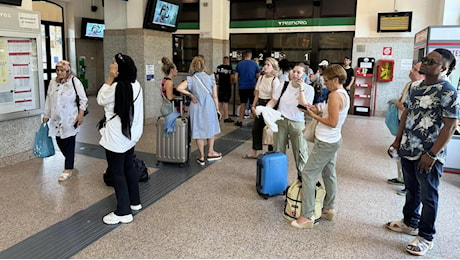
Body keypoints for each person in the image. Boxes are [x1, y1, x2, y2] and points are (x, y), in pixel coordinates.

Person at [385, 48, 458, 256]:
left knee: (428, 195)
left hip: (430, 154)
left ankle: (426, 236)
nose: (424, 63)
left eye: (431, 61)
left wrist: (432, 154)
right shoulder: (416, 86)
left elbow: (450, 126)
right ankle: (410, 222)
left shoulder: (448, 91)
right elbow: (406, 113)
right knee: (411, 189)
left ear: (443, 68)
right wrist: (397, 141)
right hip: (409, 147)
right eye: (424, 59)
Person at [290, 64, 350, 229]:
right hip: (334, 140)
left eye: (326, 80)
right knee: (329, 173)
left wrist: (312, 114)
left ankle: (307, 215)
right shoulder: (343, 93)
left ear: (335, 79)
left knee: (308, 174)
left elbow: (332, 122)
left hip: (326, 142)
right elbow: (333, 112)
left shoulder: (334, 95)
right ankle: (329, 208)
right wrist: (318, 108)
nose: (324, 83)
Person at [97, 53, 144, 225]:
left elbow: (101, 99)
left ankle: (123, 211)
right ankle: (134, 201)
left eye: (113, 64)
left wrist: (109, 78)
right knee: (128, 166)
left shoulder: (116, 87)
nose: (110, 66)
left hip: (116, 136)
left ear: (119, 69)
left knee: (117, 172)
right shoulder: (136, 84)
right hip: (130, 135)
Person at [265, 63, 314, 178]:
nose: (295, 74)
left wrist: (301, 88)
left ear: (305, 75)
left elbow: (304, 106)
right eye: (294, 71)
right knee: (278, 151)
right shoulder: (283, 85)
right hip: (281, 121)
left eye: (298, 72)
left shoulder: (309, 89)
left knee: (300, 152)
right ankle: (277, 178)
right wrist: (266, 111)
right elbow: (274, 100)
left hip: (297, 123)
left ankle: (303, 179)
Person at [43, 60, 88, 182]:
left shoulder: (74, 81)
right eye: (57, 70)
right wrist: (46, 114)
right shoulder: (53, 82)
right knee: (59, 140)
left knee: (69, 141)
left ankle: (68, 168)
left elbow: (83, 99)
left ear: (68, 71)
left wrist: (80, 115)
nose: (59, 72)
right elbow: (48, 98)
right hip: (56, 118)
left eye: (62, 70)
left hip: (70, 118)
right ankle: (70, 157)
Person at [387, 62, 425, 196]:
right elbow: (402, 100)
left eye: (415, 70)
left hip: (412, 130)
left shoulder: (421, 88)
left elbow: (404, 106)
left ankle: (407, 184)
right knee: (400, 153)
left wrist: (396, 103)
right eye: (413, 68)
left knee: (409, 157)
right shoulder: (410, 85)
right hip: (402, 123)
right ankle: (401, 178)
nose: (411, 71)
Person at [177, 56, 222, 166]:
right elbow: (215, 96)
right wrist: (217, 109)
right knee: (210, 127)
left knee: (198, 128)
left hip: (196, 106)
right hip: (209, 106)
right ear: (204, 65)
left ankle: (201, 155)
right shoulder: (211, 77)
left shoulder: (191, 79)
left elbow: (179, 88)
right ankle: (211, 152)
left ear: (193, 66)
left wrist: (191, 95)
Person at [243, 58, 281, 159]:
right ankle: (254, 151)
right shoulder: (261, 78)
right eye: (265, 64)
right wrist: (253, 106)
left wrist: (266, 109)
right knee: (256, 129)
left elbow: (274, 98)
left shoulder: (275, 80)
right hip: (260, 104)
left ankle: (271, 151)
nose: (265, 66)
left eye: (268, 65)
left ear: (273, 67)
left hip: (270, 106)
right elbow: (257, 93)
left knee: (270, 129)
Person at [234, 49, 261, 127]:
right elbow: (258, 76)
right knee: (253, 104)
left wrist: (238, 83)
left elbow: (236, 77)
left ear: (244, 55)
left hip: (242, 87)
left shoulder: (239, 64)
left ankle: (240, 120)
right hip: (252, 86)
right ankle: (256, 121)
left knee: (243, 103)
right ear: (251, 56)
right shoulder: (254, 64)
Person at [215, 56, 235, 123]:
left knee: (220, 101)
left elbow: (215, 75)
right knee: (226, 101)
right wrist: (232, 82)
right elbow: (232, 77)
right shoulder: (229, 68)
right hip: (227, 86)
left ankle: (217, 115)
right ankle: (226, 117)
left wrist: (217, 80)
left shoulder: (219, 67)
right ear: (228, 61)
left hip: (221, 86)